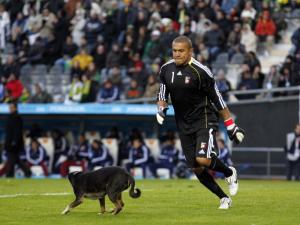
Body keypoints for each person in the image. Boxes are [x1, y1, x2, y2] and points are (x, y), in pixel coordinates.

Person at [156, 36, 245, 209]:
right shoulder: (166, 69)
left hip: (204, 119)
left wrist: (230, 125)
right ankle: (223, 198)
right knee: (196, 168)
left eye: (181, 51)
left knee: (203, 159)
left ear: (190, 52)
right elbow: (163, 92)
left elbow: (217, 99)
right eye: (174, 50)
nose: (177, 54)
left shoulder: (201, 71)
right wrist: (160, 107)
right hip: (183, 123)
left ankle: (229, 172)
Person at [4, 102, 31, 177]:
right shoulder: (10, 116)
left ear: (15, 108)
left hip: (14, 143)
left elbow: (17, 131)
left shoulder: (17, 117)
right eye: (9, 107)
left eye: (11, 107)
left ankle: (9, 174)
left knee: (11, 159)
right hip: (10, 142)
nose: (10, 109)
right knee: (16, 160)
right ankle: (27, 172)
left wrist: (14, 141)